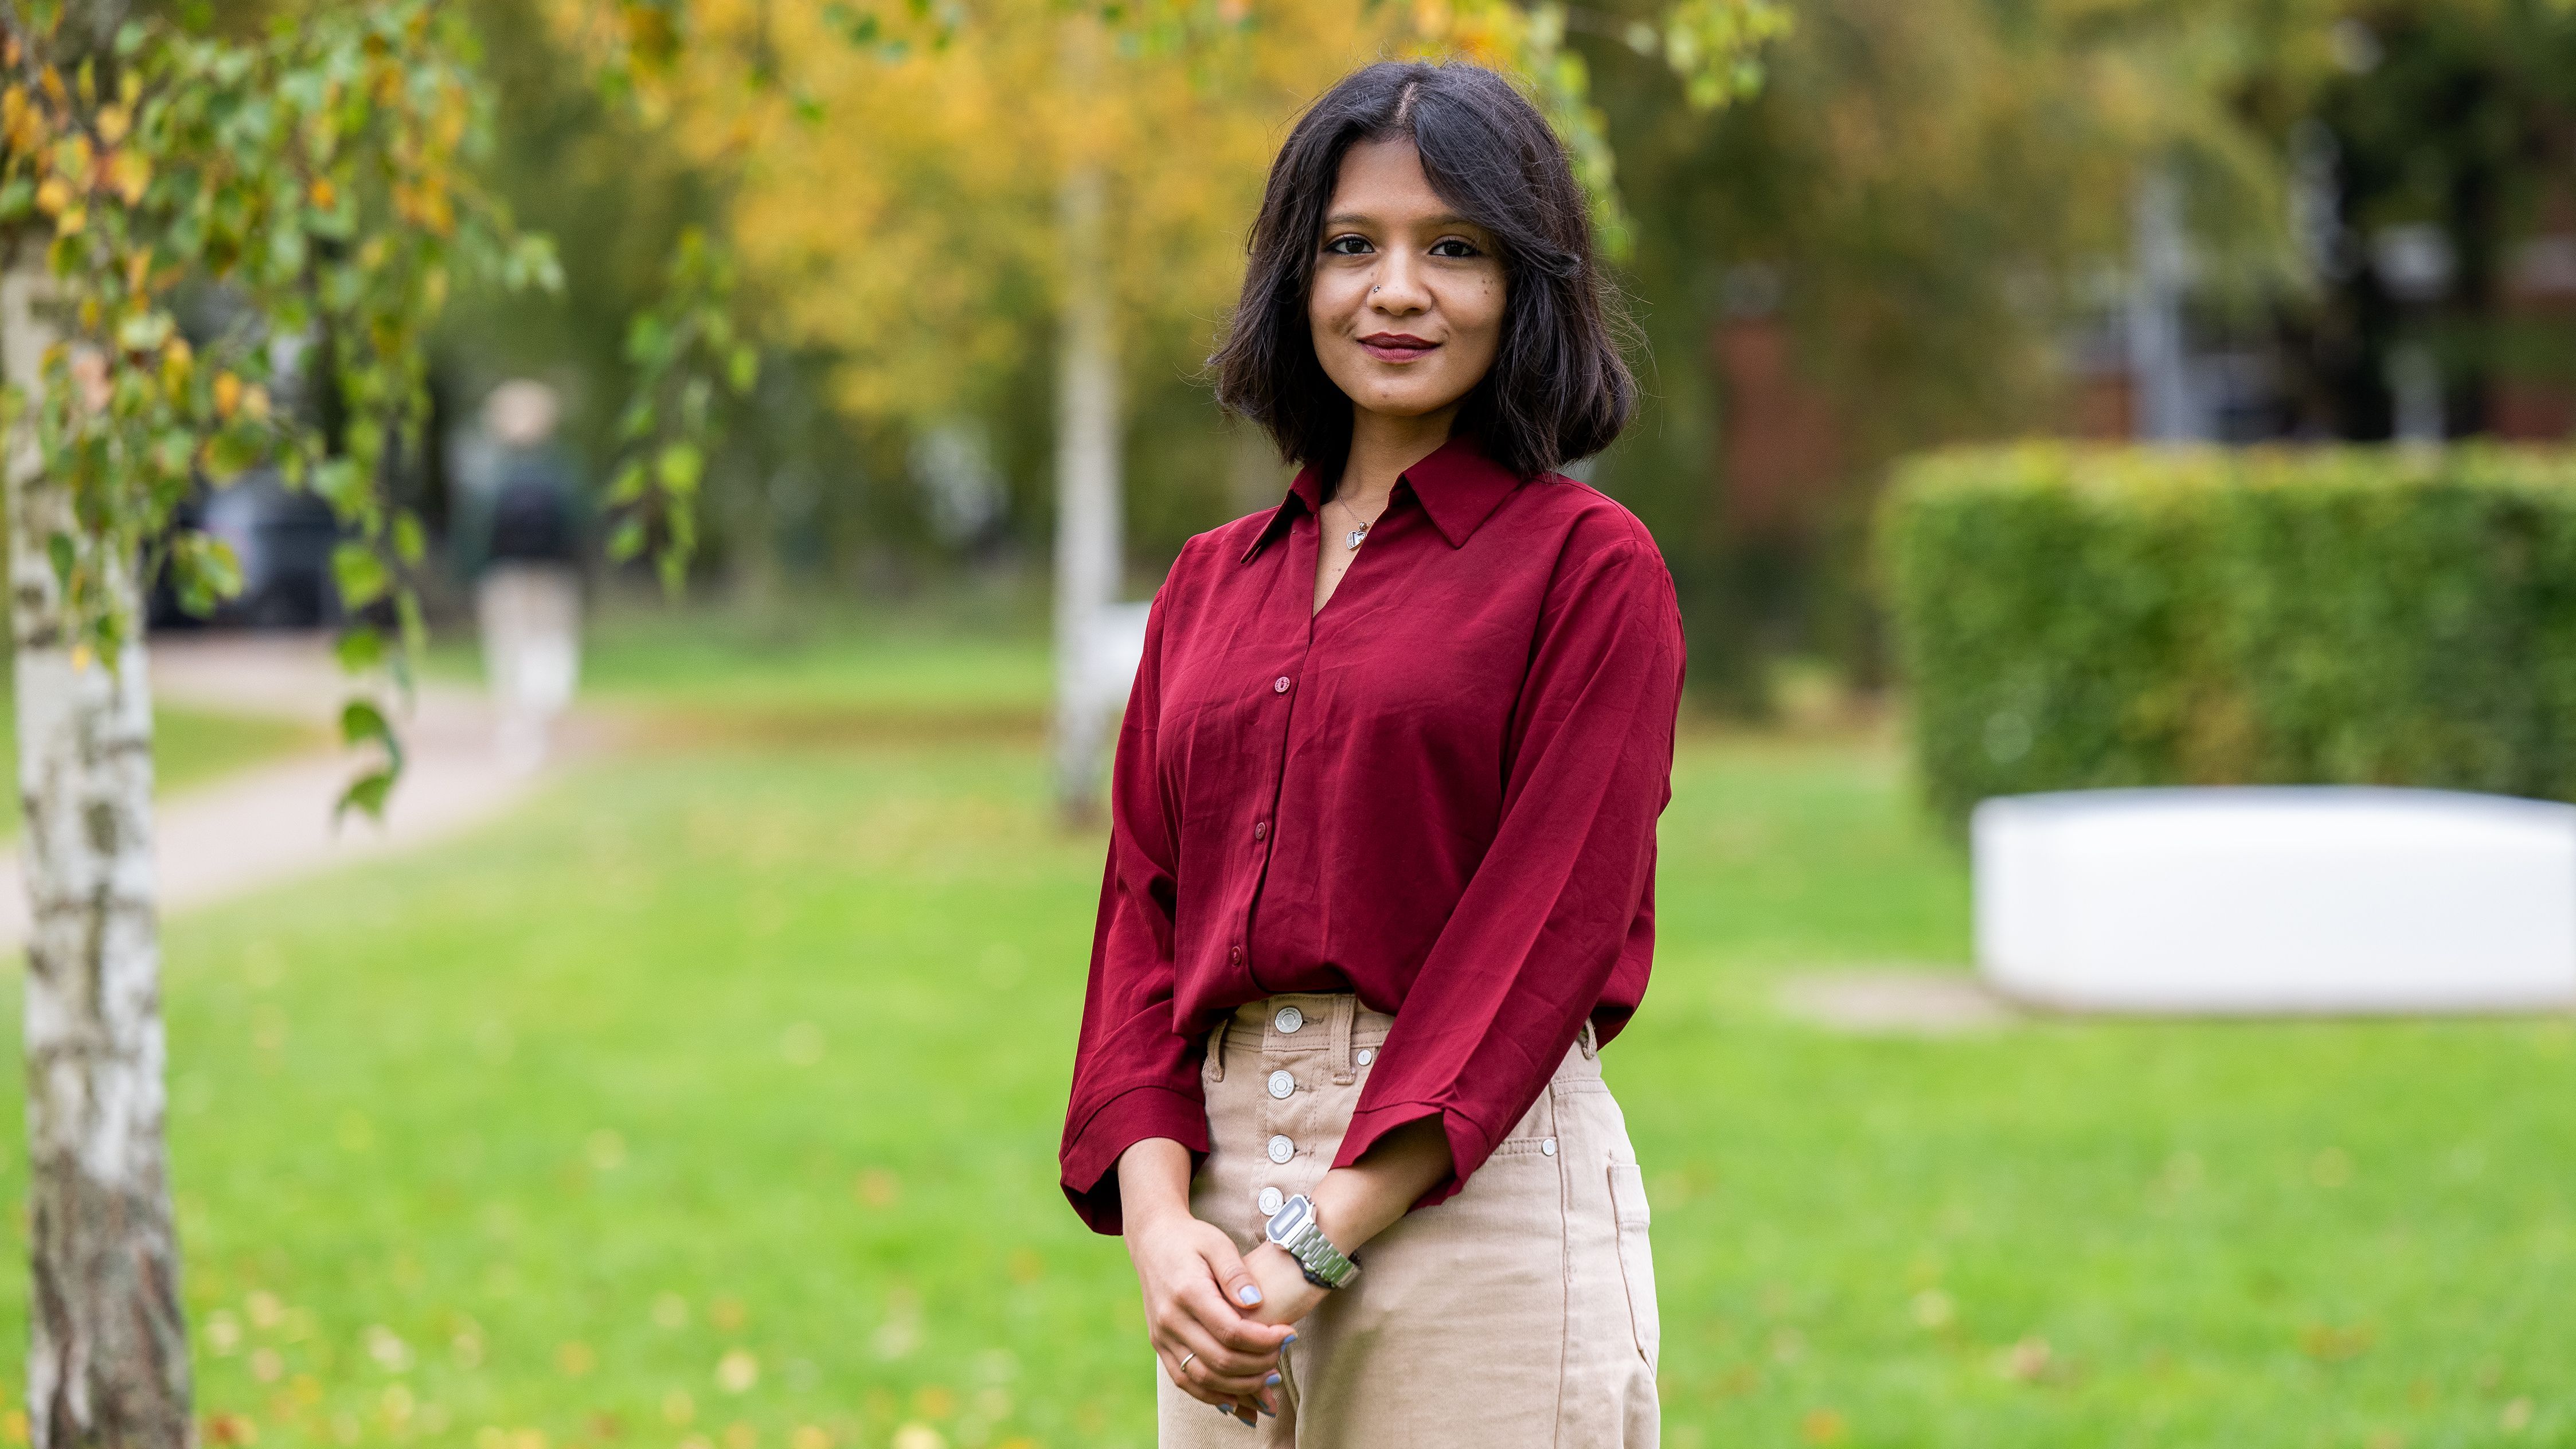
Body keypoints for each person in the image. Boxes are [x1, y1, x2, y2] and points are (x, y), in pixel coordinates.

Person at [1058, 60, 1688, 1447]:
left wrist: (1316, 1240)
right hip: (1217, 1238)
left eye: (1451, 249)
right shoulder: (1208, 583)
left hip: (1476, 1204)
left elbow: (1542, 935)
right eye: (1350, 247)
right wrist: (1162, 1231)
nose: (1393, 291)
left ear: (1525, 286)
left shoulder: (1587, 572)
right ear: (1296, 279)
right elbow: (1137, 922)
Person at [471, 379, 584, 773]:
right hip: (531, 577)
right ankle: (528, 725)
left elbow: (474, 532)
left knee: (523, 650)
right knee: (532, 649)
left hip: (526, 576)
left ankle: (526, 725)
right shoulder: (559, 468)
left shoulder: (492, 471)